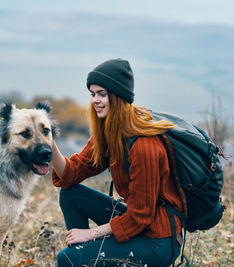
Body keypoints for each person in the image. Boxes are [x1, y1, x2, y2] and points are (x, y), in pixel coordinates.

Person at [51, 58, 184, 267]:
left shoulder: (143, 146)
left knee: (66, 259)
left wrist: (89, 235)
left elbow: (140, 217)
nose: (95, 100)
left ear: (118, 96)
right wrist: (47, 144)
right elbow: (73, 172)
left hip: (158, 241)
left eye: (102, 94)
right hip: (138, 225)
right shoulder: (109, 132)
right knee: (70, 195)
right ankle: (83, 257)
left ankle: (80, 257)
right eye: (92, 94)